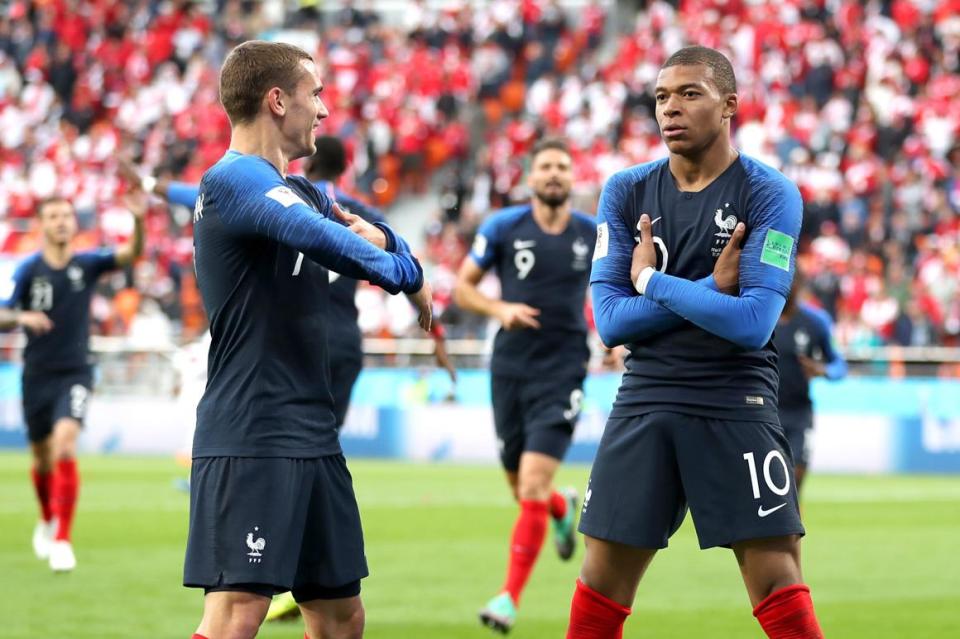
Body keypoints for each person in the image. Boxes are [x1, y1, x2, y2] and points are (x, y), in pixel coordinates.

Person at [568, 46, 824, 638]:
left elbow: (754, 321)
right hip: (646, 397)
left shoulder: (769, 193)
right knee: (599, 584)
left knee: (777, 580)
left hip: (736, 400)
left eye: (689, 94)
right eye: (661, 97)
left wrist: (650, 282)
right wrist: (709, 288)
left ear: (729, 105)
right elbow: (610, 320)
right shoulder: (626, 191)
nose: (669, 109)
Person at [182, 40, 431, 639]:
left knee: (342, 616)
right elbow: (327, 239)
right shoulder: (234, 180)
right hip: (252, 430)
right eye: (314, 94)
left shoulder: (302, 190)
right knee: (237, 612)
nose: (322, 111)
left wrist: (403, 261)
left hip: (312, 433)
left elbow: (368, 227)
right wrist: (403, 276)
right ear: (276, 100)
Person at [454, 137, 596, 634]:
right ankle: (562, 507)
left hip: (564, 369)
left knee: (533, 481)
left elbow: (617, 285)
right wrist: (499, 309)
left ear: (571, 177)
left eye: (562, 165)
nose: (555, 174)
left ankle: (508, 598)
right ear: (530, 177)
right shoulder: (503, 228)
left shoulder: (592, 234)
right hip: (510, 368)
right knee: (524, 490)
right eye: (546, 167)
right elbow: (462, 285)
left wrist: (617, 338)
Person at [0, 192, 146, 572]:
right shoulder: (28, 270)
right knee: (41, 458)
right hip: (36, 375)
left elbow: (130, 254)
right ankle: (47, 517)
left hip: (76, 371)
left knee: (65, 445)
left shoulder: (88, 263)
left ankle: (63, 539)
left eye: (67, 214)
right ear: (42, 225)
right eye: (54, 216)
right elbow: (2, 315)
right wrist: (22, 318)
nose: (62, 221)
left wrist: (140, 222)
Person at [774, 274, 847, 493]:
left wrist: (823, 370)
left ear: (798, 286)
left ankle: (792, 523)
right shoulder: (760, 315)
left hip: (799, 412)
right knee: (767, 479)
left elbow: (839, 365)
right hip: (764, 410)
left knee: (796, 476)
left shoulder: (815, 321)